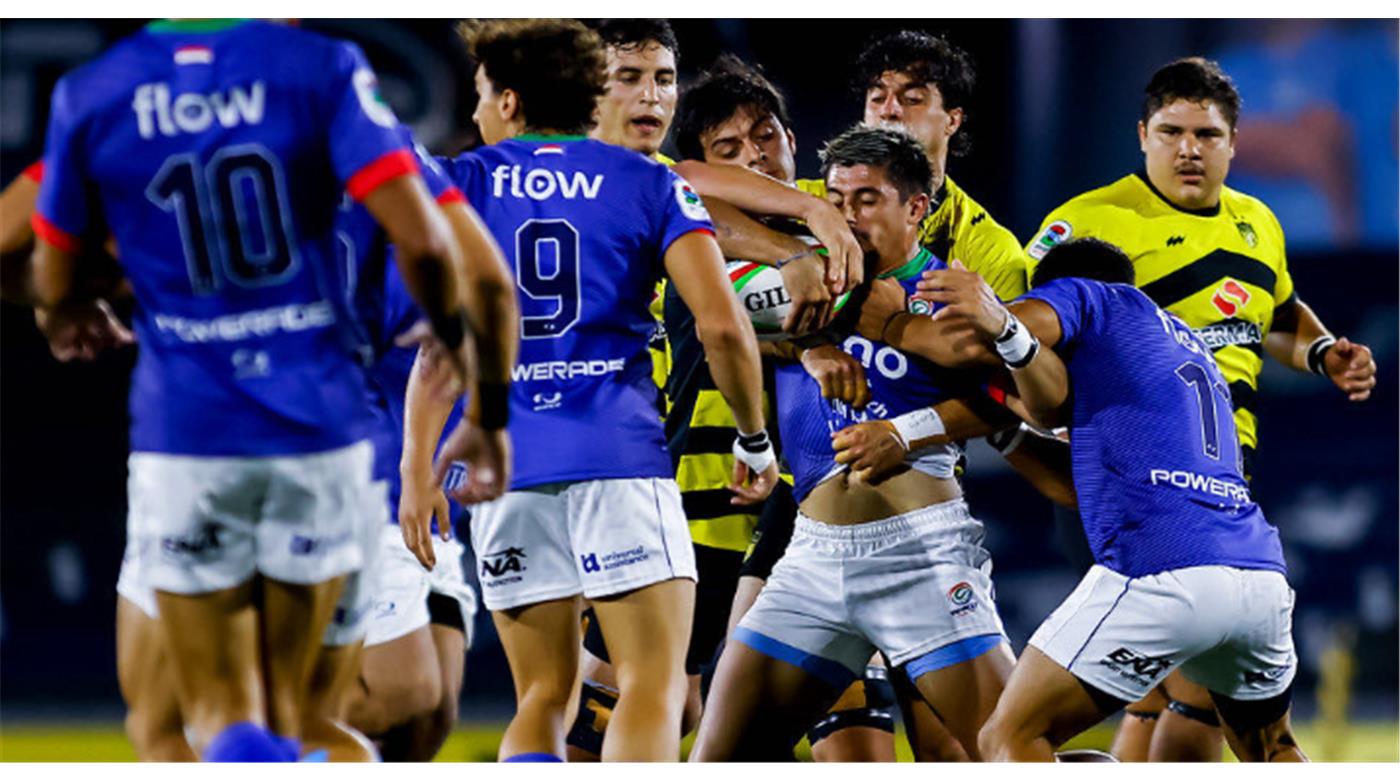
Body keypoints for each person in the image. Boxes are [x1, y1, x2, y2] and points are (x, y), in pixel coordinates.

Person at [25, 18, 505, 760]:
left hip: (186, 435)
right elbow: (436, 250)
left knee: (189, 721)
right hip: (320, 433)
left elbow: (47, 270)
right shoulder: (319, 74)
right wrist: (458, 350)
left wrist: (69, 309)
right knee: (305, 719)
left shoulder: (96, 92)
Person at [404, 19, 777, 762]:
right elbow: (725, 328)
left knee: (542, 697)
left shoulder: (464, 182)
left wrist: (418, 468)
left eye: (480, 92)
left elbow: (444, 344)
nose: (476, 107)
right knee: (650, 683)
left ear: (509, 101)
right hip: (619, 459)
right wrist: (754, 438)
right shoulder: (647, 181)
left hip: (507, 469)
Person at [1013, 56, 1376, 761]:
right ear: (1142, 134)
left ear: (1234, 143)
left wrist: (1322, 348)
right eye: (1172, 131)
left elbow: (1272, 309)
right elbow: (1034, 336)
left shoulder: (1256, 222)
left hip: (1227, 475)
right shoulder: (1088, 224)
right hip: (1130, 478)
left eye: (1206, 135)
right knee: (1197, 690)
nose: (1188, 148)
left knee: (1170, 692)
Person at [564, 25, 864, 760]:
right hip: (681, 484)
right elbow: (693, 209)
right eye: (730, 150)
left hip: (799, 499)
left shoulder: (845, 219)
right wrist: (801, 256)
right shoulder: (647, 202)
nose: (755, 159)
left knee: (733, 704)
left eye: (764, 139)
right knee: (641, 697)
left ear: (794, 140)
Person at [897, 237, 1305, 763]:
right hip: (1259, 575)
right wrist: (1000, 423)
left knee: (1009, 738)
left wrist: (896, 326)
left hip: (1163, 566)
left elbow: (987, 339)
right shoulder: (1183, 346)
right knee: (1272, 747)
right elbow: (1064, 468)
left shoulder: (1092, 297)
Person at [690, 126, 1013, 762]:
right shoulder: (799, 276)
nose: (848, 215)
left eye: (867, 199)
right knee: (720, 761)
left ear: (916, 207)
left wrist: (906, 430)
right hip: (811, 559)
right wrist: (807, 344)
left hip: (920, 555)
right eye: (836, 198)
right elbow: (684, 189)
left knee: (1005, 754)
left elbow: (1018, 401)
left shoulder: (950, 292)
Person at [334, 139, 517, 762]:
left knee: (429, 721)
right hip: (376, 496)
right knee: (398, 695)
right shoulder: (399, 258)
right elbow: (430, 352)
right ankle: (239, 721)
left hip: (440, 515)